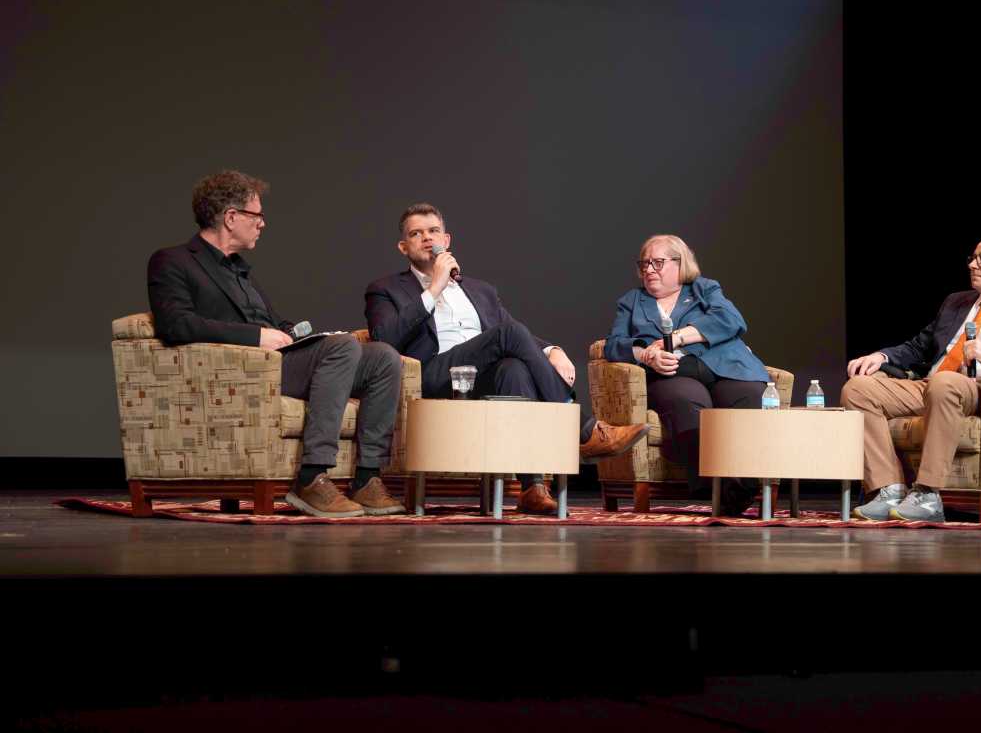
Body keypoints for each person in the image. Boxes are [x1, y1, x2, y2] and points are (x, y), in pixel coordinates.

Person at [148, 170, 405, 518]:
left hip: (280, 362)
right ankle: (312, 477)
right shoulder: (173, 261)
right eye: (257, 215)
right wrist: (256, 337)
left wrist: (295, 333)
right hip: (246, 371)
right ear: (231, 217)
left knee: (383, 358)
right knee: (343, 347)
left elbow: (270, 322)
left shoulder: (240, 271)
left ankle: (366, 477)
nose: (262, 224)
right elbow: (176, 325)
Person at [364, 203, 649, 515]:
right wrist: (434, 289)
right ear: (404, 247)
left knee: (514, 369)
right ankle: (582, 429)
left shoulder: (479, 289)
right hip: (435, 375)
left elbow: (516, 334)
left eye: (433, 231)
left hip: (483, 375)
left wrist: (551, 350)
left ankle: (532, 488)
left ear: (447, 239)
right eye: (416, 234)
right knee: (508, 336)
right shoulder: (385, 289)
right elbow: (384, 340)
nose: (427, 239)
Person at [842, 234, 981, 522]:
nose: (973, 264)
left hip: (979, 389)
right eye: (973, 258)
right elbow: (919, 346)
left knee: (944, 382)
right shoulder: (957, 302)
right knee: (858, 389)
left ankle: (927, 493)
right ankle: (889, 490)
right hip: (930, 385)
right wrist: (882, 357)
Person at [603, 234, 770, 517]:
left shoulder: (704, 289)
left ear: (681, 264)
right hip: (672, 372)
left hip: (724, 366)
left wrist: (678, 338)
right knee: (685, 399)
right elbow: (613, 344)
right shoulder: (632, 301)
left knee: (749, 395)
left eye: (657, 263)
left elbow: (731, 320)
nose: (649, 270)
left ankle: (743, 486)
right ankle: (717, 486)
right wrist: (646, 354)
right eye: (644, 264)